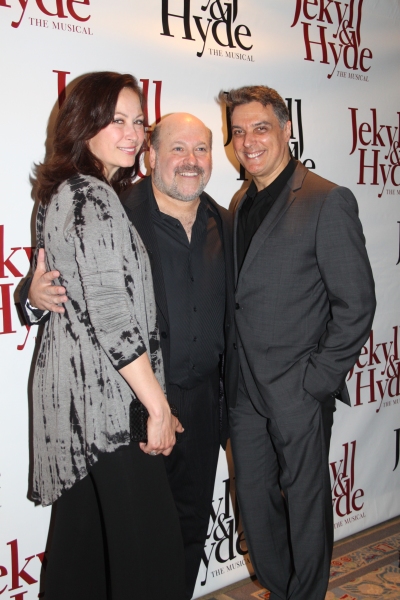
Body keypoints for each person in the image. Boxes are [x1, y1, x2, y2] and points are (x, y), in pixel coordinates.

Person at [20, 111, 233, 599]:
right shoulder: (111, 203)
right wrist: (31, 297)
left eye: (201, 149)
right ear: (152, 156)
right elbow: (77, 289)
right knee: (126, 550)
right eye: (177, 148)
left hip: (201, 404)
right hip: (131, 406)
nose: (190, 160)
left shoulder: (226, 219)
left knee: (182, 539)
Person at [28, 71, 185, 600]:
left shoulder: (63, 193)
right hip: (106, 410)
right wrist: (157, 407)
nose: (133, 133)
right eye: (116, 119)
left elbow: (64, 296)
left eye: (138, 120)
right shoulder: (91, 197)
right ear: (83, 122)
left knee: (81, 557)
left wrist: (33, 297)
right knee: (152, 563)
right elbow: (113, 316)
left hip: (74, 407)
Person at [221, 85, 376, 600]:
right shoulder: (241, 201)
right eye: (238, 131)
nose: (248, 141)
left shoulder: (326, 200)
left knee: (305, 507)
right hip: (244, 393)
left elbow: (356, 304)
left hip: (297, 391)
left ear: (287, 129)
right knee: (257, 508)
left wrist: (317, 381)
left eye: (260, 128)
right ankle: (282, 588)